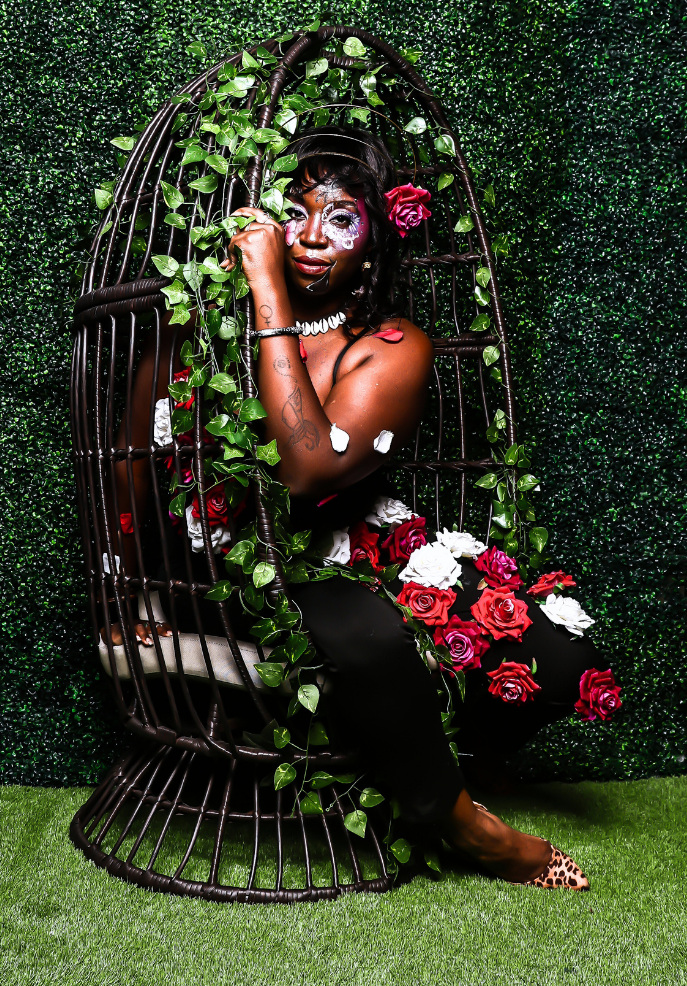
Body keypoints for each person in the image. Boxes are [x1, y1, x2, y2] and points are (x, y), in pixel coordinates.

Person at [109, 126, 620, 890]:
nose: (313, 237)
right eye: (298, 212)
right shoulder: (203, 334)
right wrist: (134, 585)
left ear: (374, 242)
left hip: (352, 541)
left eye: (341, 218)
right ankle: (461, 823)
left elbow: (309, 469)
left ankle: (460, 759)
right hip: (242, 570)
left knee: (560, 656)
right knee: (374, 640)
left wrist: (270, 300)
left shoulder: (391, 345)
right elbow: (129, 467)